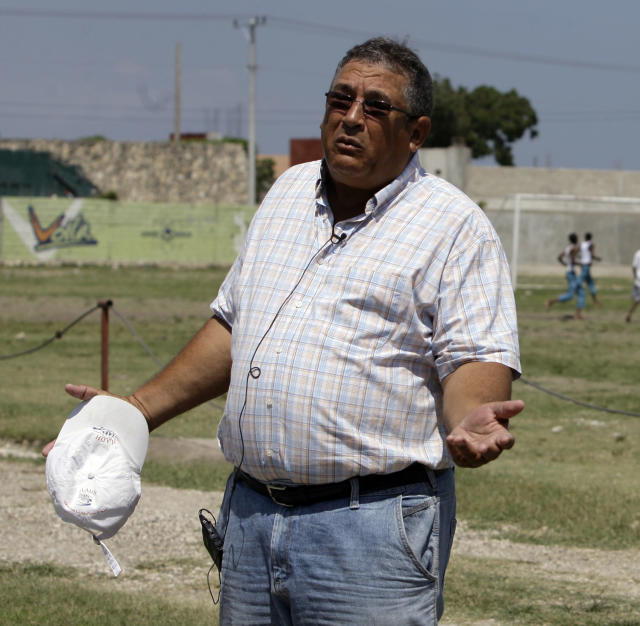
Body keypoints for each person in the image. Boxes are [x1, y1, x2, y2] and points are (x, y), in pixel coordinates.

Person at [43, 37, 523, 624]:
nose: (351, 118)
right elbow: (233, 328)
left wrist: (469, 417)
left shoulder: (454, 228)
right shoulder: (288, 193)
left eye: (376, 107)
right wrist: (131, 413)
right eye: (341, 99)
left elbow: (473, 361)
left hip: (369, 531)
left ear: (416, 132)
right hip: (250, 517)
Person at [545, 232, 586, 319]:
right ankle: (550, 302)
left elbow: (559, 257)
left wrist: (565, 264)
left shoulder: (567, 248)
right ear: (576, 239)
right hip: (571, 273)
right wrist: (581, 263)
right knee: (572, 294)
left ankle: (577, 314)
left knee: (581, 293)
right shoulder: (574, 248)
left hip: (570, 273)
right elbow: (572, 260)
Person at [578, 232, 602, 305]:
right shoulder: (591, 244)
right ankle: (569, 294)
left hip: (582, 265)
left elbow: (578, 253)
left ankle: (595, 301)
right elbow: (592, 254)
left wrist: (581, 258)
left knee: (591, 283)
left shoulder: (582, 244)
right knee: (579, 282)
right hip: (587, 265)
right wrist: (598, 258)